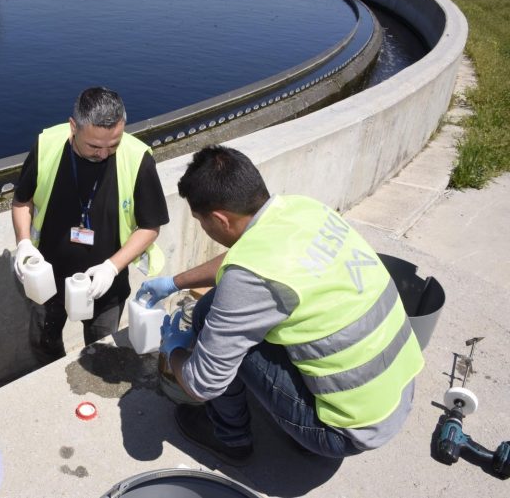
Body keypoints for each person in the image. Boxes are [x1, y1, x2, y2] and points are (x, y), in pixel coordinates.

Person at [137, 145, 424, 464]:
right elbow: (242, 255)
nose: (204, 229)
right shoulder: (302, 209)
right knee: (210, 310)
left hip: (347, 431)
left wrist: (170, 348)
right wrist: (176, 282)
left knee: (214, 337)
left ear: (220, 219)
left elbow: (202, 383)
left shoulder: (250, 277)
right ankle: (300, 419)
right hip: (399, 391)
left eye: (202, 222)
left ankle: (230, 438)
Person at [12, 86, 169, 363]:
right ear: (74, 127)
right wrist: (24, 243)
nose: (104, 154)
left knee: (101, 353)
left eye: (114, 144)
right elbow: (22, 202)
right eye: (94, 146)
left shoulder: (137, 158)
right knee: (43, 343)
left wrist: (112, 266)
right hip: (47, 277)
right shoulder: (47, 145)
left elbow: (150, 227)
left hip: (105, 286)